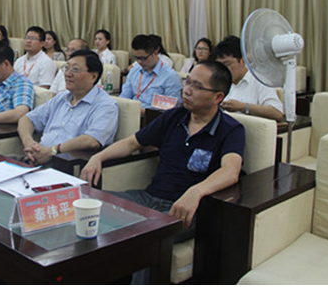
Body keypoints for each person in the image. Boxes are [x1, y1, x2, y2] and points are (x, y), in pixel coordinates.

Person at [81, 61, 245, 242]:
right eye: (187, 82)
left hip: (183, 208)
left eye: (197, 87)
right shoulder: (173, 116)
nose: (187, 90)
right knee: (88, 207)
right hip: (148, 198)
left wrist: (196, 192)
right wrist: (98, 157)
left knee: (140, 236)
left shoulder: (230, 129)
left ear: (217, 97)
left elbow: (230, 171)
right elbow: (131, 143)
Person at [18, 50, 119, 165]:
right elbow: (27, 119)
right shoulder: (61, 98)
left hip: (67, 166)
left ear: (93, 76)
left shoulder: (105, 105)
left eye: (75, 69)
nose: (67, 74)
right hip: (37, 157)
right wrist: (29, 144)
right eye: (67, 68)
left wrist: (52, 151)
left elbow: (92, 140)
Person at [214, 36, 284, 122]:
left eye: (227, 64)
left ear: (242, 61)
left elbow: (277, 113)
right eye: (219, 65)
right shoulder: (218, 82)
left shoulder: (260, 81)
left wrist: (243, 107)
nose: (223, 69)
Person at [120, 34, 183, 114]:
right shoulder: (134, 71)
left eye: (143, 58)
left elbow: (171, 108)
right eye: (136, 58)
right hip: (131, 114)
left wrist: (144, 112)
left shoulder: (170, 76)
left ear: (155, 52)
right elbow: (124, 97)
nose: (139, 62)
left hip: (154, 117)